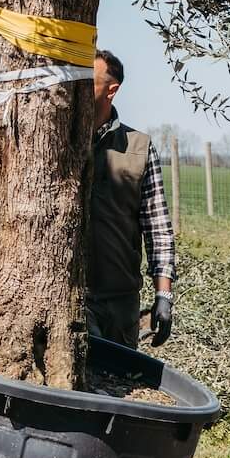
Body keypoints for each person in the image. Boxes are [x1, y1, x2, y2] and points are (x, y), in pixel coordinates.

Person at [82, 47, 173, 348]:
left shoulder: (139, 148)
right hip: (71, 296)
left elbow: (157, 227)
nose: (79, 88)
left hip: (119, 303)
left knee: (119, 387)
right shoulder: (60, 142)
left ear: (112, 90)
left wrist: (164, 296)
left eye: (89, 81)